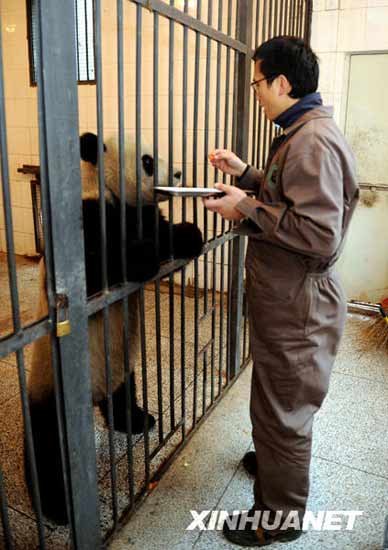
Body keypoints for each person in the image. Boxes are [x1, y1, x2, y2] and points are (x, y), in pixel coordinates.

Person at [203, 36, 359, 547]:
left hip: (300, 304)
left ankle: (279, 515)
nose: (257, 93)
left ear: (282, 83)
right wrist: (245, 175)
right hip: (289, 300)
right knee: (276, 401)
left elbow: (317, 232)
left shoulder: (310, 139)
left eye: (257, 83)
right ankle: (274, 465)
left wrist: (242, 207)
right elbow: (290, 198)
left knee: (285, 412)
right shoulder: (300, 133)